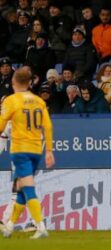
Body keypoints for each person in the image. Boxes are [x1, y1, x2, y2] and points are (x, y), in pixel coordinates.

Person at [0, 68, 55, 239]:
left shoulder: (11, 100)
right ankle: (9, 224)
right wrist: (49, 151)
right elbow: (48, 126)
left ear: (14, 82)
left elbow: (1, 126)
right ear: (29, 82)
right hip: (36, 150)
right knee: (22, 188)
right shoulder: (39, 101)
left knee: (27, 188)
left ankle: (40, 225)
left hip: (20, 151)